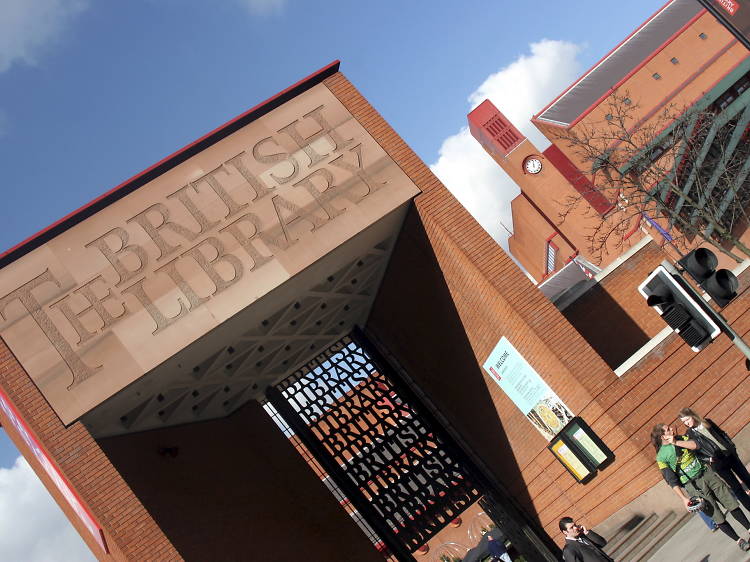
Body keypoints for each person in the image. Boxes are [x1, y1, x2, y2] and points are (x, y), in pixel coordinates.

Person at [651, 423, 750, 552]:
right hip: (693, 485)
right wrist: (684, 499)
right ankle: (738, 540)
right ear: (662, 436)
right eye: (668, 429)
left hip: (707, 474)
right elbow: (671, 480)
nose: (672, 429)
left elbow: (696, 445)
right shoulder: (661, 457)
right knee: (716, 515)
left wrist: (675, 442)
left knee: (730, 503)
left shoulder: (682, 438)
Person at [679, 407, 750, 512]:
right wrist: (708, 459)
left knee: (746, 478)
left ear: (692, 415)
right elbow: (696, 454)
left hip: (729, 455)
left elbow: (722, 433)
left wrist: (732, 447)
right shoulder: (689, 434)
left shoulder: (706, 422)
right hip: (717, 463)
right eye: (684, 422)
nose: (686, 423)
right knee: (736, 488)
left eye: (687, 419)